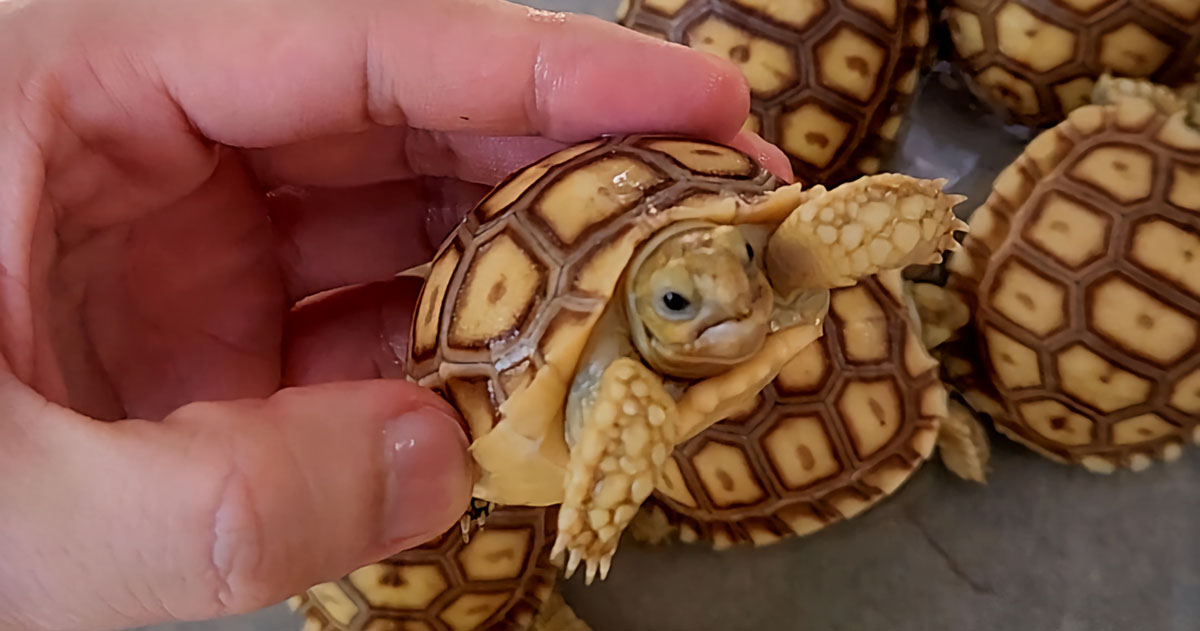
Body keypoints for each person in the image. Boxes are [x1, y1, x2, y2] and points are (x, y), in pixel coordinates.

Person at [0, 0, 791, 628]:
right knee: (625, 402)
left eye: (743, 264)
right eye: (680, 303)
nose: (734, 296)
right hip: (506, 379)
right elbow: (622, 400)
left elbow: (793, 236)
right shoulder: (617, 387)